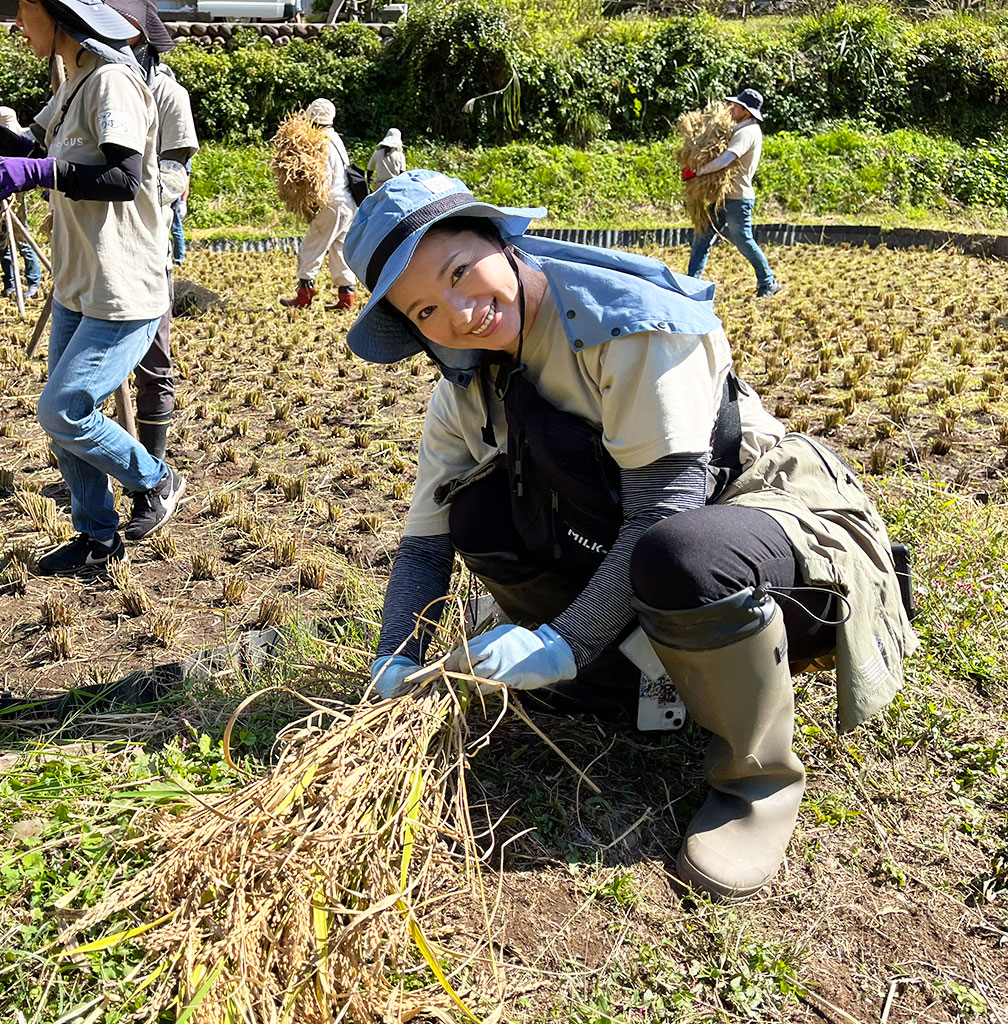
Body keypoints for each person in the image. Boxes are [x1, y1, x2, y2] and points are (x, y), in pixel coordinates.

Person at [351, 170, 915, 901]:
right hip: (632, 543)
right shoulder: (464, 389)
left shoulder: (629, 323)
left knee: (681, 558)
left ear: (500, 239)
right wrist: (395, 656)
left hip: (755, 527)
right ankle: (618, 679)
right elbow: (426, 544)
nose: (461, 312)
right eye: (427, 309)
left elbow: (664, 510)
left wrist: (563, 640)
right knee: (476, 512)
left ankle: (757, 782)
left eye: (462, 272)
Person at [0, 0, 184, 572]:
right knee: (65, 427)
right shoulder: (76, 81)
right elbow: (43, 150)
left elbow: (123, 178)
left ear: (57, 13)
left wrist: (41, 172)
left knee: (65, 410)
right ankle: (98, 537)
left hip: (121, 287)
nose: (19, 26)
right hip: (78, 283)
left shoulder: (113, 81)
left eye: (25, 11)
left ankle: (157, 478)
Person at [101, 0, 200, 525]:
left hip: (144, 249)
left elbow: (176, 174)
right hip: (96, 253)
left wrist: (132, 197)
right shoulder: (95, 81)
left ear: (137, 37)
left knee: (153, 362)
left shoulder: (168, 94)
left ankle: (153, 482)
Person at [682, 88, 781, 298]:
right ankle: (691, 283)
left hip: (738, 198)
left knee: (743, 240)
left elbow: (725, 159)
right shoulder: (741, 129)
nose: (731, 108)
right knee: (703, 235)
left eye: (736, 106)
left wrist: (698, 171)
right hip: (724, 198)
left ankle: (768, 282)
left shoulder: (748, 132)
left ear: (746, 111)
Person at [281, 98, 358, 312]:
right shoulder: (336, 139)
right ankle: (346, 299)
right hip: (348, 203)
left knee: (311, 248)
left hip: (331, 203)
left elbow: (320, 180)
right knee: (340, 249)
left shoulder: (318, 142)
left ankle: (304, 296)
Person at [0, 107, 44, 301]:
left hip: (16, 199)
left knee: (22, 239)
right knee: (2, 242)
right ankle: (9, 284)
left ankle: (33, 282)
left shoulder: (22, 142)